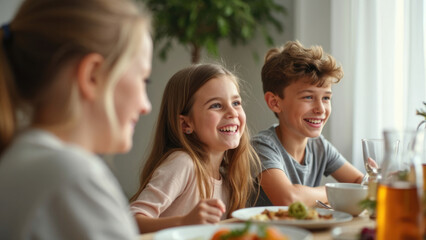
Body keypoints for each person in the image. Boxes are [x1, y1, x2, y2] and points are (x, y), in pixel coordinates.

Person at [0, 0, 152, 239]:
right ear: (93, 76)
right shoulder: (73, 178)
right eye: (144, 80)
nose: (146, 106)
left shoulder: (16, 158)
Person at [130, 63, 260, 233]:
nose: (233, 113)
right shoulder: (183, 163)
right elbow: (131, 220)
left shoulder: (228, 178)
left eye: (236, 102)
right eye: (216, 105)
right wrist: (184, 222)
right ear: (186, 124)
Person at [252, 40, 364, 207]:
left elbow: (358, 181)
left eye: (326, 98)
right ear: (275, 102)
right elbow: (289, 198)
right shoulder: (261, 148)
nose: (320, 109)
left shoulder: (319, 146)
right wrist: (336, 190)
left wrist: (374, 180)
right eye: (308, 97)